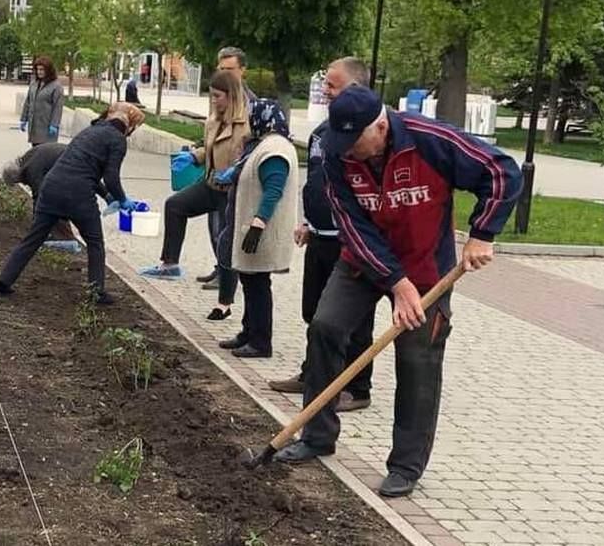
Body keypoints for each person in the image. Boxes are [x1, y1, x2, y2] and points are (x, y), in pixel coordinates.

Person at [274, 85, 521, 500]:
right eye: (343, 143)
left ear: (381, 126)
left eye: (355, 142)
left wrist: (483, 232)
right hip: (365, 262)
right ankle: (317, 435)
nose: (348, 151)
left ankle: (406, 465)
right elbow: (353, 224)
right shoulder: (338, 157)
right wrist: (395, 282)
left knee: (417, 358)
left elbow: (502, 172)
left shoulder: (432, 141)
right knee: (325, 326)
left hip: (427, 269)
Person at [268, 57, 377, 412]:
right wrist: (306, 222)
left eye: (333, 85)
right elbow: (317, 180)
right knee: (314, 313)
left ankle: (357, 387)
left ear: (356, 90)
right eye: (326, 85)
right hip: (318, 235)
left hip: (351, 241)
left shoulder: (368, 137)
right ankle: (313, 373)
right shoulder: (320, 134)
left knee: (353, 318)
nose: (325, 91)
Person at [0, 103, 145, 305]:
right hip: (79, 195)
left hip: (51, 188)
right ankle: (96, 292)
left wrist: (109, 197)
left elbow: (79, 164)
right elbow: (111, 176)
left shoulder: (89, 132)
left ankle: (2, 282)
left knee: (33, 239)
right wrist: (122, 199)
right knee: (95, 242)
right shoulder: (117, 140)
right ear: (129, 125)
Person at [139, 70, 250, 280]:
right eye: (212, 96)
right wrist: (194, 157)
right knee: (175, 205)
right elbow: (211, 148)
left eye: (218, 96)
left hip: (232, 191)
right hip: (211, 184)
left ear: (232, 96)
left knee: (223, 235)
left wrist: (235, 170)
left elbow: (252, 156)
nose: (214, 101)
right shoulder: (213, 122)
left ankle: (227, 280)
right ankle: (170, 264)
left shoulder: (246, 125)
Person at [211, 99, 298, 358]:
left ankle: (261, 342)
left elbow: (273, 189)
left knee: (258, 284)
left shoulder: (275, 150)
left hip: (261, 231)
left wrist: (258, 223)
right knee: (250, 281)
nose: (249, 122)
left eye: (252, 117)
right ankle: (248, 332)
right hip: (251, 228)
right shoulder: (265, 145)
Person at [197, 46, 259, 290]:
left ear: (242, 71)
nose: (224, 74)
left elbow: (253, 144)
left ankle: (229, 278)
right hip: (213, 178)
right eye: (221, 69)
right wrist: (199, 155)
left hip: (235, 182)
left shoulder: (251, 104)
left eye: (230, 69)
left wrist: (236, 168)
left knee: (226, 229)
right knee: (214, 227)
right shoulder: (217, 97)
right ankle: (219, 269)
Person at [20, 56, 64, 146]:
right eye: (37, 69)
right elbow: (28, 102)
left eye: (42, 69)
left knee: (45, 154)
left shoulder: (56, 86)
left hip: (47, 127)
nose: (39, 72)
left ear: (48, 70)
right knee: (35, 151)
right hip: (34, 126)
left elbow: (58, 107)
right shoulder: (34, 84)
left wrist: (54, 124)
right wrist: (24, 118)